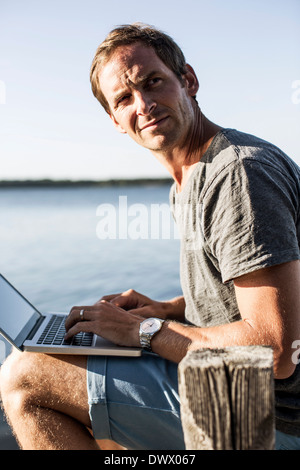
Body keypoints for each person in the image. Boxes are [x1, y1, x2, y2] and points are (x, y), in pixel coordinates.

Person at [1, 22, 300, 450]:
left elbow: (275, 351)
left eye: (153, 82)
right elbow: (249, 296)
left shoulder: (238, 174)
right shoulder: (188, 181)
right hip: (239, 387)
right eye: (123, 98)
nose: (143, 104)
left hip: (269, 413)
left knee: (23, 376)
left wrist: (145, 332)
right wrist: (167, 309)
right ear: (115, 121)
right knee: (57, 363)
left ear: (189, 81)